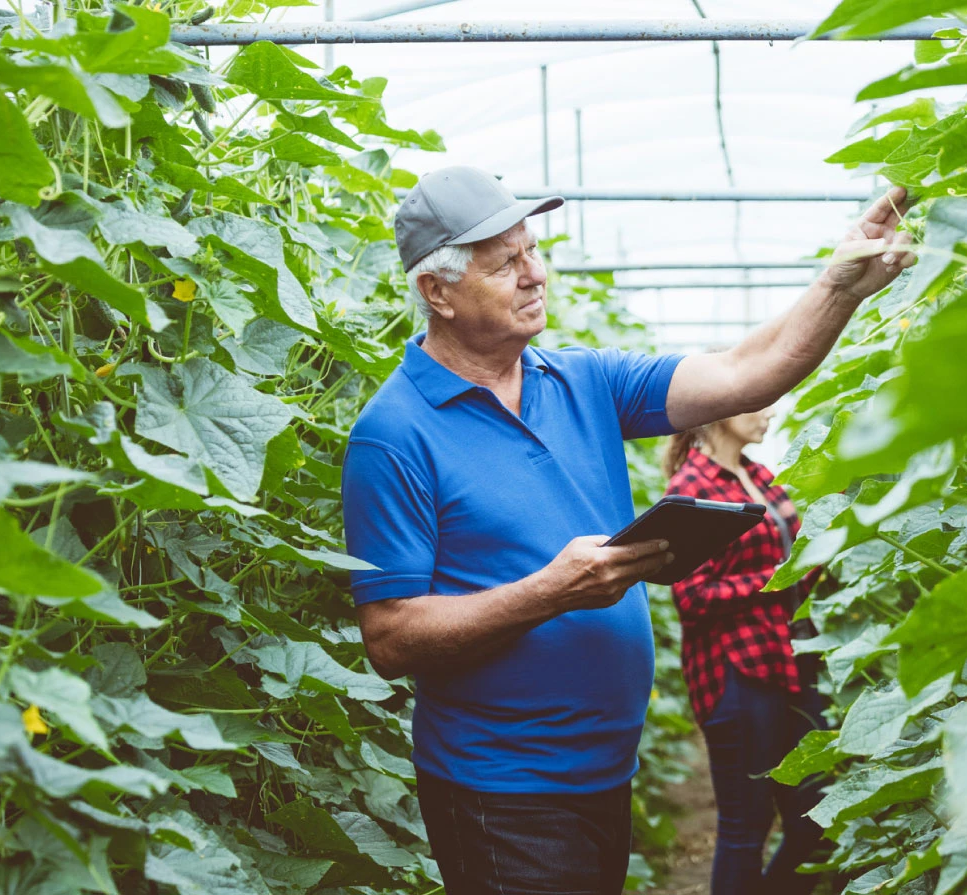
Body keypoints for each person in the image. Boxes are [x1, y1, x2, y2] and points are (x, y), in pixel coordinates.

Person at [341, 164, 913, 895]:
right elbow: (389, 637)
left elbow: (750, 371)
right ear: (436, 292)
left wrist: (839, 286)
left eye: (533, 251)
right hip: (500, 789)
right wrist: (549, 591)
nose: (533, 274)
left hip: (606, 773)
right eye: (505, 263)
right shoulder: (393, 435)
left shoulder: (583, 381)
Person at [663, 408, 828, 895]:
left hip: (790, 662)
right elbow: (691, 599)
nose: (771, 411)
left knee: (813, 823)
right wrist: (775, 580)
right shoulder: (689, 489)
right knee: (745, 827)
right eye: (757, 401)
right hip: (735, 673)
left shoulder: (760, 475)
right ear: (720, 409)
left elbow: (794, 558)